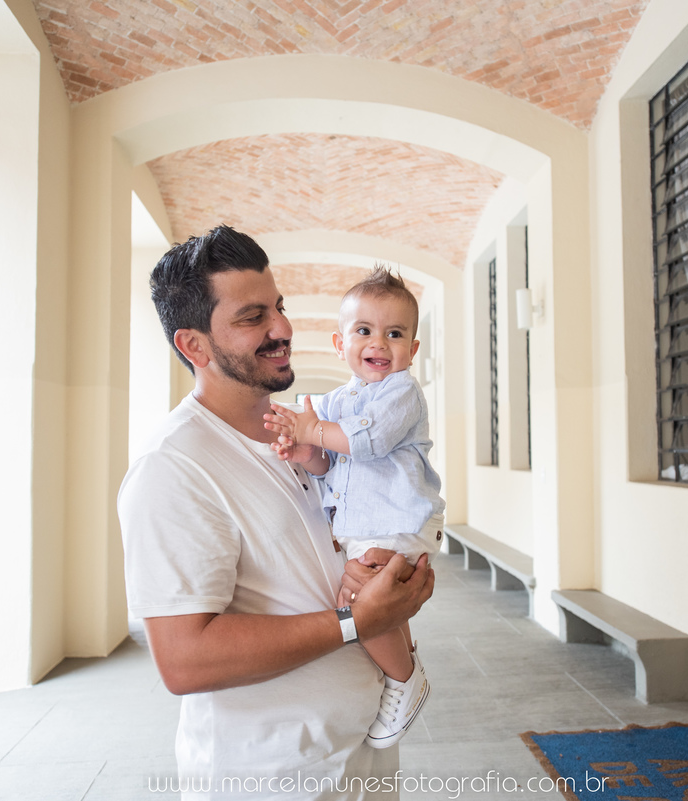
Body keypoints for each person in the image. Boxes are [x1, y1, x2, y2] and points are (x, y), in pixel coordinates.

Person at [117, 226, 434, 800]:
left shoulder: (304, 433)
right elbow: (185, 661)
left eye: (280, 308)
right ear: (195, 346)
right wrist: (358, 622)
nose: (282, 329)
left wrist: (394, 592)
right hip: (271, 779)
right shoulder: (174, 466)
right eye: (252, 316)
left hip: (358, 766)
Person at [263, 265, 446, 750]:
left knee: (357, 601)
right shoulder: (339, 401)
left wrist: (310, 430)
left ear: (413, 348)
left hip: (400, 519)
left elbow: (366, 442)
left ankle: (405, 681)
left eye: (395, 333)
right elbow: (335, 464)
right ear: (339, 344)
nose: (379, 343)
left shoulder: (402, 392)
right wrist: (307, 452)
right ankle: (404, 667)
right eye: (364, 331)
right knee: (369, 600)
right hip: (368, 524)